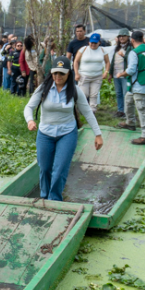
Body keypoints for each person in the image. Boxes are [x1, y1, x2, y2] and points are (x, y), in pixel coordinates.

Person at [24, 56, 104, 201]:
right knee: (45, 168)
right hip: (45, 133)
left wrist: (98, 134)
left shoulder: (74, 90)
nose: (58, 76)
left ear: (69, 73)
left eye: (62, 73)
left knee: (59, 169)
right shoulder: (44, 88)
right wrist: (30, 120)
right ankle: (44, 197)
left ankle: (54, 199)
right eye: (55, 73)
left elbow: (87, 112)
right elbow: (29, 107)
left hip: (67, 133)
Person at [121, 30, 145, 145]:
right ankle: (130, 122)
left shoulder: (134, 52)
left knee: (142, 109)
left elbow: (131, 70)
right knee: (128, 100)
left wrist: (121, 74)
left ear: (132, 40)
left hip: (138, 84)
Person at [73, 33, 110, 112]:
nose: (93, 44)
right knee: (83, 94)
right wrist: (76, 73)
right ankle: (82, 109)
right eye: (91, 42)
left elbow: (107, 62)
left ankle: (92, 110)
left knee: (94, 94)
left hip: (97, 76)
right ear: (89, 42)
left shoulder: (103, 50)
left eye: (95, 43)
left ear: (99, 42)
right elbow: (76, 61)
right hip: (84, 75)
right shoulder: (83, 49)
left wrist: (106, 72)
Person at [111, 29, 132, 118]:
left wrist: (124, 55)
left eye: (124, 36)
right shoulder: (117, 47)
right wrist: (111, 73)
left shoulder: (130, 48)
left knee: (125, 93)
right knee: (118, 93)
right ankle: (120, 110)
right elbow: (113, 61)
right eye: (120, 36)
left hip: (125, 74)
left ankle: (127, 112)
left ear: (128, 37)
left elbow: (132, 60)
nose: (122, 38)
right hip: (116, 74)